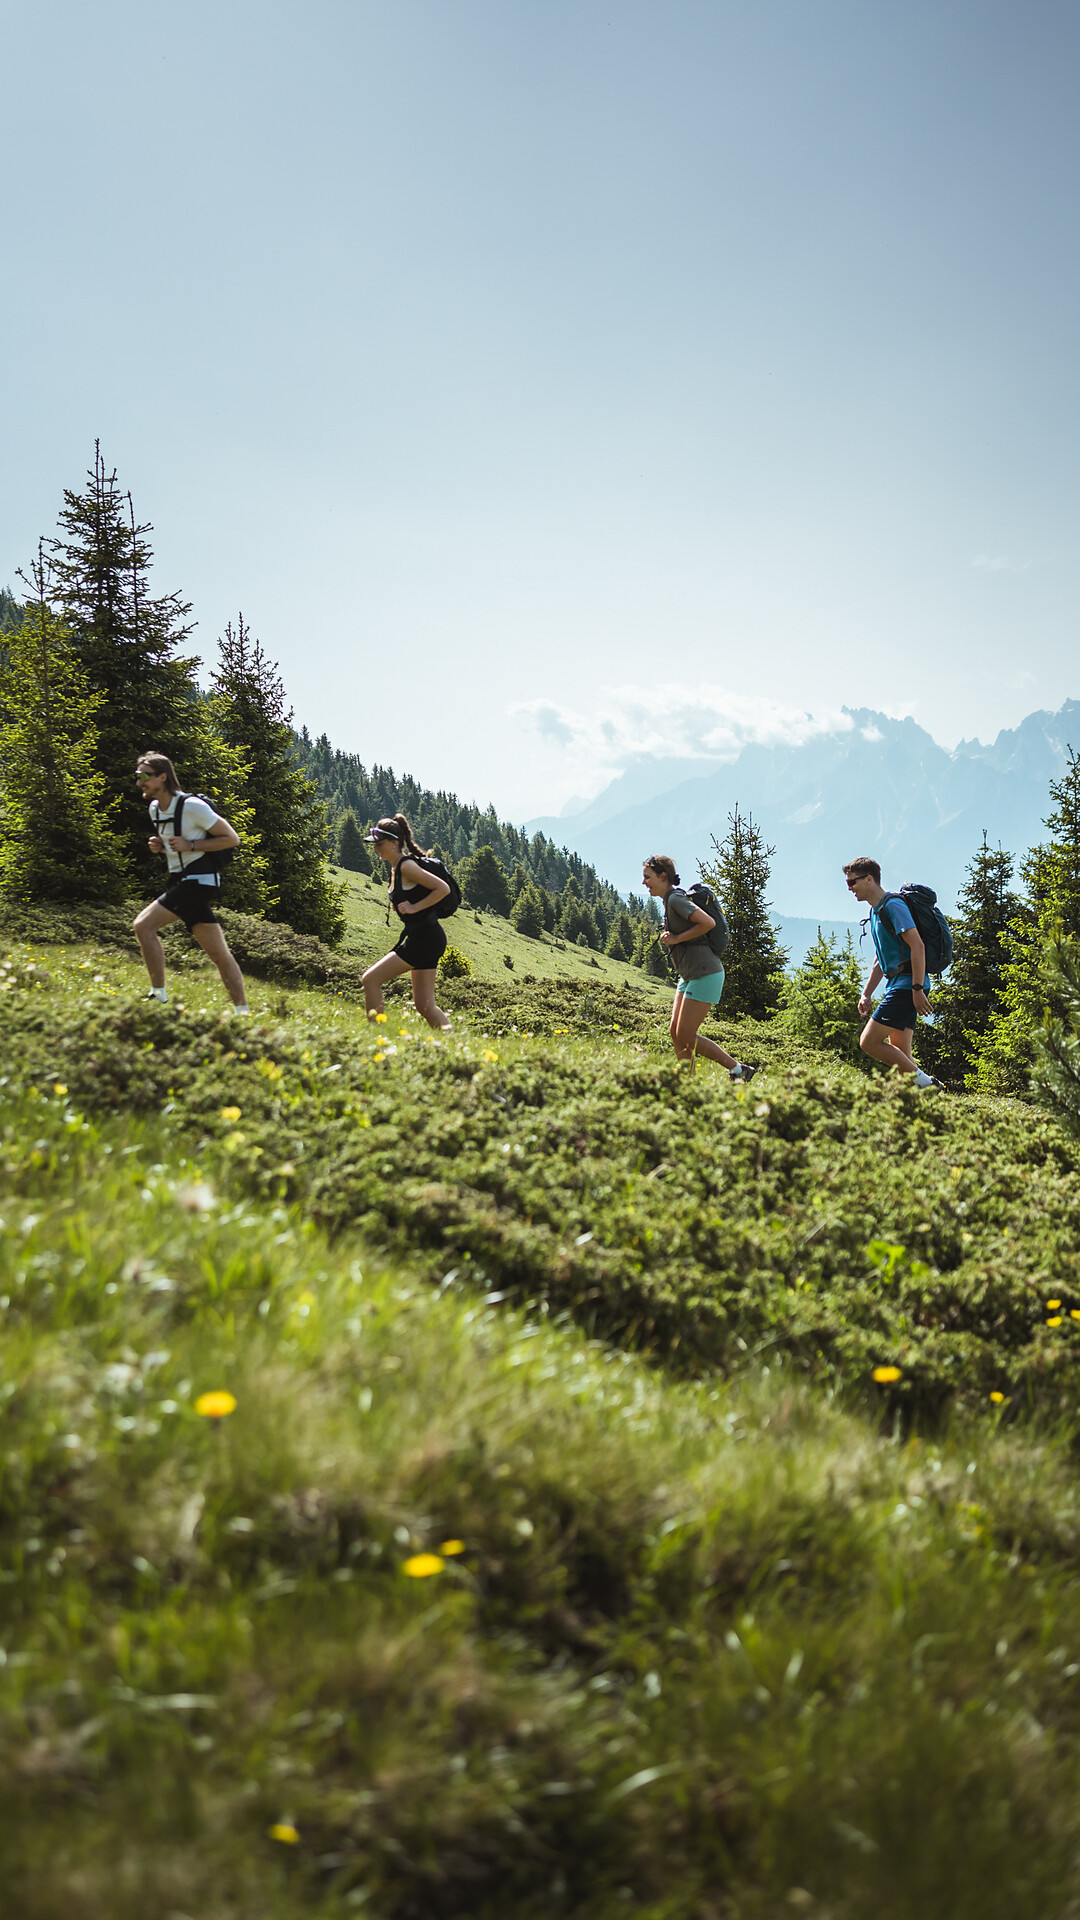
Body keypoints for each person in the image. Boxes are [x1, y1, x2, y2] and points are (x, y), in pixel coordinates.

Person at [133, 752, 250, 1014]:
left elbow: (231, 838)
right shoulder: (155, 809)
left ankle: (158, 996)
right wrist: (161, 846)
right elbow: (177, 845)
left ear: (162, 777)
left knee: (143, 926)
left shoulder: (192, 806)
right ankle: (242, 1012)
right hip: (181, 881)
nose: (139, 782)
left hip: (199, 881)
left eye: (144, 776)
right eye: (137, 777)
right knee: (219, 953)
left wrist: (192, 844)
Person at [642, 855, 756, 1081]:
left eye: (648, 877)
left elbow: (708, 922)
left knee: (685, 1033)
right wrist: (674, 936)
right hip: (689, 975)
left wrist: (676, 939)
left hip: (706, 974)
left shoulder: (675, 899)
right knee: (676, 1033)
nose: (644, 882)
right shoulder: (669, 901)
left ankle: (738, 1070)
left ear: (663, 876)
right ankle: (689, 1084)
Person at [843, 856, 941, 1088]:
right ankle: (918, 1100)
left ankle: (928, 1086)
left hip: (908, 985)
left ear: (869, 879)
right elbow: (881, 960)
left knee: (868, 1042)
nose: (850, 889)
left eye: (852, 883)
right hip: (899, 983)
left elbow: (917, 945)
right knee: (901, 1053)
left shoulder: (893, 906)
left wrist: (917, 989)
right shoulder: (876, 912)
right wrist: (866, 994)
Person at [363, 814, 452, 1031]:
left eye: (380, 844)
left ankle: (376, 1036)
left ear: (394, 843)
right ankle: (453, 1042)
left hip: (424, 939)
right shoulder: (397, 868)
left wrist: (414, 907)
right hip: (424, 936)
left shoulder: (406, 866)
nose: (376, 849)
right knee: (424, 1004)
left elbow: (443, 889)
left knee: (371, 980)